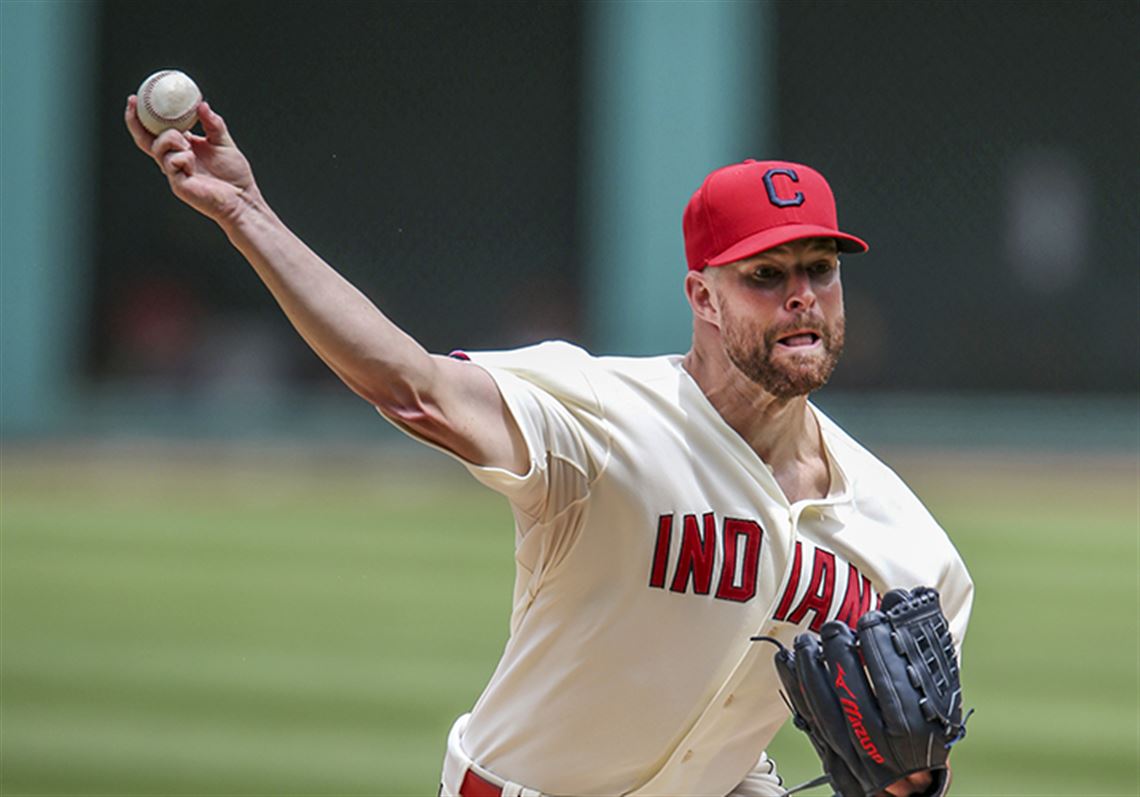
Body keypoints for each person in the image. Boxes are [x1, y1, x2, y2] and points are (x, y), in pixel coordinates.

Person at [126, 97, 973, 797]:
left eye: (819, 268)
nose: (801, 297)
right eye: (766, 274)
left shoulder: (909, 547)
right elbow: (412, 387)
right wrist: (245, 213)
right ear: (703, 296)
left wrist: (913, 782)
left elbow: (903, 771)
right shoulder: (602, 413)